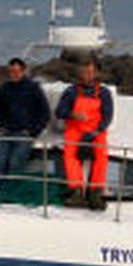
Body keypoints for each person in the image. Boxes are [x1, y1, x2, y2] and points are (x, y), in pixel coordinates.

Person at [55, 55, 113, 209]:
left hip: (96, 132)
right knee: (70, 155)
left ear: (96, 73)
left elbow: (108, 116)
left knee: (101, 157)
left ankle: (95, 193)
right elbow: (59, 112)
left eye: (90, 72)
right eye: (84, 72)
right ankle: (76, 192)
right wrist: (72, 115)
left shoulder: (104, 93)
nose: (87, 75)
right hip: (74, 131)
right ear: (80, 73)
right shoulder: (70, 91)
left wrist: (95, 132)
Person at [0, 57, 50, 185]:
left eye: (16, 71)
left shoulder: (33, 88)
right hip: (6, 132)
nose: (14, 74)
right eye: (11, 72)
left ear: (23, 71)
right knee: (0, 162)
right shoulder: (4, 89)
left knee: (15, 162)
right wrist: (0, 125)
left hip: (24, 133)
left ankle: (11, 191)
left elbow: (44, 113)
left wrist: (33, 131)